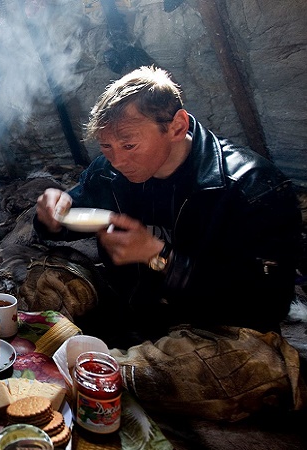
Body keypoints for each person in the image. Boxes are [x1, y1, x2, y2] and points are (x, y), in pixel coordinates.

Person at [34, 66, 305, 420]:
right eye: (106, 145)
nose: (117, 159)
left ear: (177, 126)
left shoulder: (251, 186)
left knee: (251, 365)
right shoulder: (110, 170)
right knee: (50, 277)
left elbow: (262, 305)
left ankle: (84, 368)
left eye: (129, 144)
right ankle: (96, 370)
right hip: (131, 306)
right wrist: (51, 213)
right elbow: (67, 221)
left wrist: (160, 258)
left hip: (206, 327)